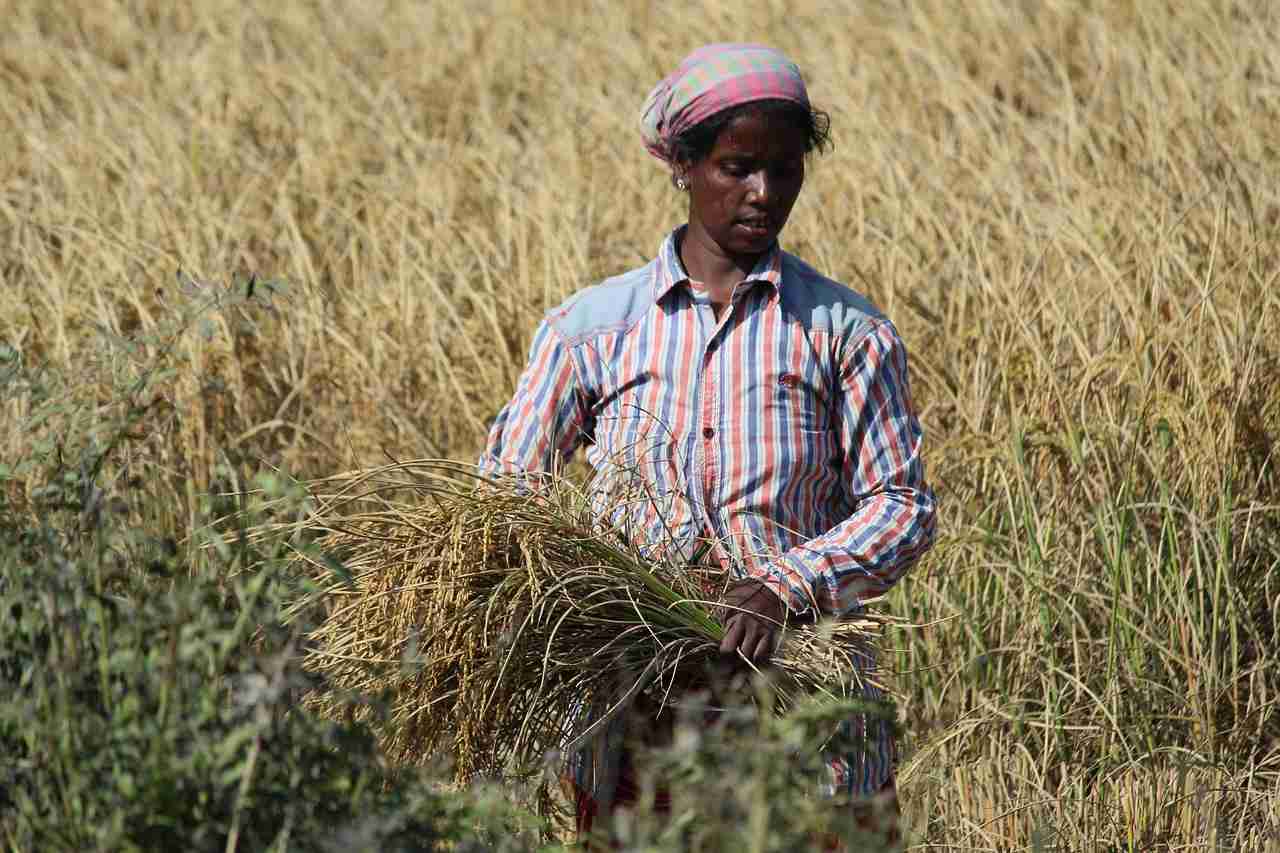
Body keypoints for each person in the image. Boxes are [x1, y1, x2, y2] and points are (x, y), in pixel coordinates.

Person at [479, 43, 936, 847]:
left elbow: (901, 507)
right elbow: (504, 495)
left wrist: (784, 585)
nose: (764, 193)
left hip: (803, 724)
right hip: (634, 720)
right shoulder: (593, 331)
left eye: (785, 171)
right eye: (737, 167)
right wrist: (595, 593)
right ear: (685, 165)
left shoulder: (844, 334)